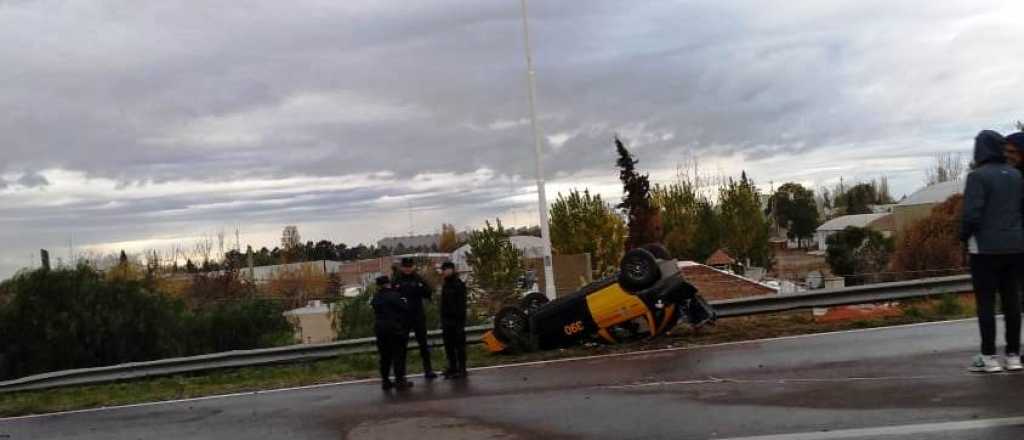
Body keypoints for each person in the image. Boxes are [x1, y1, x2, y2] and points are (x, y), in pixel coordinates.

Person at [960, 130, 1024, 373]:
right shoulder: (1017, 175)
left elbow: (971, 215)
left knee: (986, 303)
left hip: (985, 249)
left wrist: (962, 237)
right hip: (1016, 247)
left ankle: (989, 356)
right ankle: (1013, 355)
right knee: (1012, 302)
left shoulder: (977, 176)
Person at [393, 257, 437, 379]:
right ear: (402, 267)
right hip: (403, 317)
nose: (407, 269)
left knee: (423, 344)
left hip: (418, 315)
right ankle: (401, 374)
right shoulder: (397, 279)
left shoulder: (418, 278)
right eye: (405, 267)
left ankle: (428, 370)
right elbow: (392, 296)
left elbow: (428, 292)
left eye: (409, 266)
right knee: (401, 347)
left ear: (413, 267)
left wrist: (419, 288)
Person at [371, 276, 413, 390]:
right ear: (388, 283)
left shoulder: (376, 298)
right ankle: (400, 381)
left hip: (380, 330)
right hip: (394, 329)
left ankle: (385, 381)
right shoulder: (394, 295)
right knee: (398, 355)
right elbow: (405, 308)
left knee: (385, 356)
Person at [440, 261, 468, 379]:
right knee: (449, 346)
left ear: (452, 270)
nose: (445, 271)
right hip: (446, 321)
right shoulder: (445, 285)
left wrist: (459, 320)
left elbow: (462, 304)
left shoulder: (458, 284)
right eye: (444, 270)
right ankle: (452, 367)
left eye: (447, 269)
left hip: (457, 321)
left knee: (459, 346)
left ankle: (462, 369)